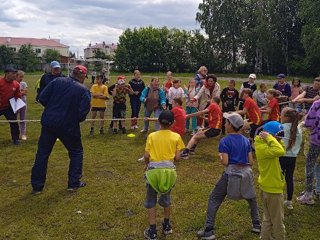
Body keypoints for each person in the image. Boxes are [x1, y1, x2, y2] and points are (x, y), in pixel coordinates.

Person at [197, 112, 261, 240]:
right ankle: (257, 224)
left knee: (214, 198)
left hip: (230, 174)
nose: (225, 124)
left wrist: (221, 157)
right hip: (246, 173)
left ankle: (209, 230)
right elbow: (251, 162)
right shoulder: (246, 140)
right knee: (251, 198)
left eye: (227, 122)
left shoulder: (224, 141)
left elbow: (225, 162)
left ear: (231, 126)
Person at [31, 65, 91, 194]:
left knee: (42, 154)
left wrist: (53, 109)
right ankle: (73, 183)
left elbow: (42, 98)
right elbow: (82, 113)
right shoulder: (83, 90)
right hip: (69, 126)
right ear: (82, 76)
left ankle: (37, 186)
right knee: (76, 152)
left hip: (49, 122)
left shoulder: (57, 81)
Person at [143, 110, 185, 240]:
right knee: (166, 199)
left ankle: (152, 230)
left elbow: (146, 156)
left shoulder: (152, 136)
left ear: (158, 121)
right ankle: (166, 225)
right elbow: (177, 158)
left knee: (151, 201)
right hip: (169, 172)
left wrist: (146, 164)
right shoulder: (176, 137)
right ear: (172, 123)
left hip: (153, 172)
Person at [254, 121, 286, 240]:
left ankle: (265, 237)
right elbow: (281, 151)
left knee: (267, 219)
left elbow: (281, 148)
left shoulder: (263, 145)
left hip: (267, 187)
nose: (279, 139)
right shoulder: (265, 149)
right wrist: (271, 138)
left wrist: (273, 139)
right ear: (269, 136)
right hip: (273, 191)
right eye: (277, 136)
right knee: (278, 222)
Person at [296, 99, 320, 205]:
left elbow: (309, 124)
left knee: (310, 165)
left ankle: (308, 194)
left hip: (316, 141)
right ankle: (318, 189)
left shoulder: (317, 104)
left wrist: (304, 122)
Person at [279, 107, 303, 209]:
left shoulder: (281, 127)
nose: (280, 115)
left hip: (282, 156)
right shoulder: (298, 129)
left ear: (287, 117)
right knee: (289, 178)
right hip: (292, 157)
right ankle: (289, 201)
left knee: (279, 178)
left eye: (282, 114)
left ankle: (278, 198)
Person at [0, 67, 21, 145]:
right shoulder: (0, 82)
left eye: (15, 73)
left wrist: (17, 107)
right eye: (13, 73)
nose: (15, 75)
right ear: (7, 74)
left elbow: (17, 96)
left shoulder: (16, 84)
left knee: (14, 123)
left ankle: (15, 139)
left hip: (8, 107)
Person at [16, 70, 28, 140]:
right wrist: (21, 92)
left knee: (22, 119)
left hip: (23, 103)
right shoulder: (13, 83)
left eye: (22, 77)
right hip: (15, 103)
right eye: (20, 77)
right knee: (14, 119)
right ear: (16, 76)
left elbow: (25, 92)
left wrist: (18, 92)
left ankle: (23, 134)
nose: (21, 78)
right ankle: (16, 134)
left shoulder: (24, 84)